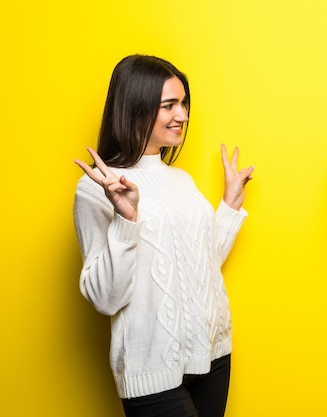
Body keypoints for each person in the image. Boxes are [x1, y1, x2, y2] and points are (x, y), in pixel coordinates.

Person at [73, 54, 254, 417]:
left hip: (214, 353)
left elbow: (200, 265)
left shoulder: (181, 180)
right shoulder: (97, 188)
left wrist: (230, 206)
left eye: (183, 103)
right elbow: (105, 298)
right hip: (152, 367)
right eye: (169, 105)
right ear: (135, 108)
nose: (183, 115)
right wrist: (127, 220)